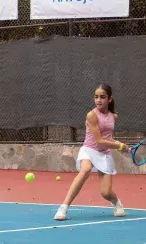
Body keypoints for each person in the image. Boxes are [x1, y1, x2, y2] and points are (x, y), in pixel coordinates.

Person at [54, 84, 130, 221]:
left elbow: (108, 138)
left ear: (110, 99)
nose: (98, 100)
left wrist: (122, 146)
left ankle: (117, 203)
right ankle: (63, 208)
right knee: (85, 169)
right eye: (96, 97)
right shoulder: (91, 115)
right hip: (89, 150)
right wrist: (118, 147)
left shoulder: (113, 116)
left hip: (105, 154)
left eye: (102, 97)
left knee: (106, 193)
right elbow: (99, 141)